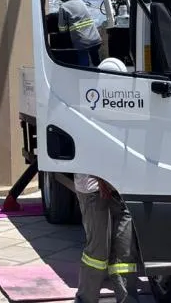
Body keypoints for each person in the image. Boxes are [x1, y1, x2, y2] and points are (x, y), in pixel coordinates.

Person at [74, 58, 138, 303]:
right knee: (97, 251)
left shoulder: (127, 104)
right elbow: (90, 145)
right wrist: (103, 178)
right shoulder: (90, 105)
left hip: (119, 186)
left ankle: (126, 298)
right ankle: (86, 298)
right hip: (93, 187)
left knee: (124, 249)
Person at [57, 0, 102, 66]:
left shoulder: (63, 7)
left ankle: (85, 75)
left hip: (82, 43)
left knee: (84, 66)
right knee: (97, 64)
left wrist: (65, 31)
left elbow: (62, 29)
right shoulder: (81, 2)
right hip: (96, 39)